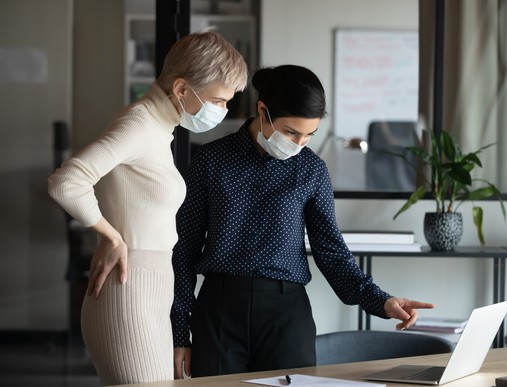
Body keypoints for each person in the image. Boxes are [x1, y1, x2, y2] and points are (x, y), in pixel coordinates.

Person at [171, 64, 435, 378]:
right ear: (262, 110)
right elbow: (183, 251)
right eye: (290, 132)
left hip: (286, 315)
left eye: (308, 135)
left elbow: (332, 253)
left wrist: (381, 300)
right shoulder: (209, 161)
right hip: (219, 310)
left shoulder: (311, 170)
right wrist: (179, 334)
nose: (298, 144)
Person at [47, 30, 248, 385]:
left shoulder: (159, 127)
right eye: (219, 100)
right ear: (182, 89)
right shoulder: (139, 123)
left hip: (150, 287)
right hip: (128, 288)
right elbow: (67, 182)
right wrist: (110, 237)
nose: (223, 110)